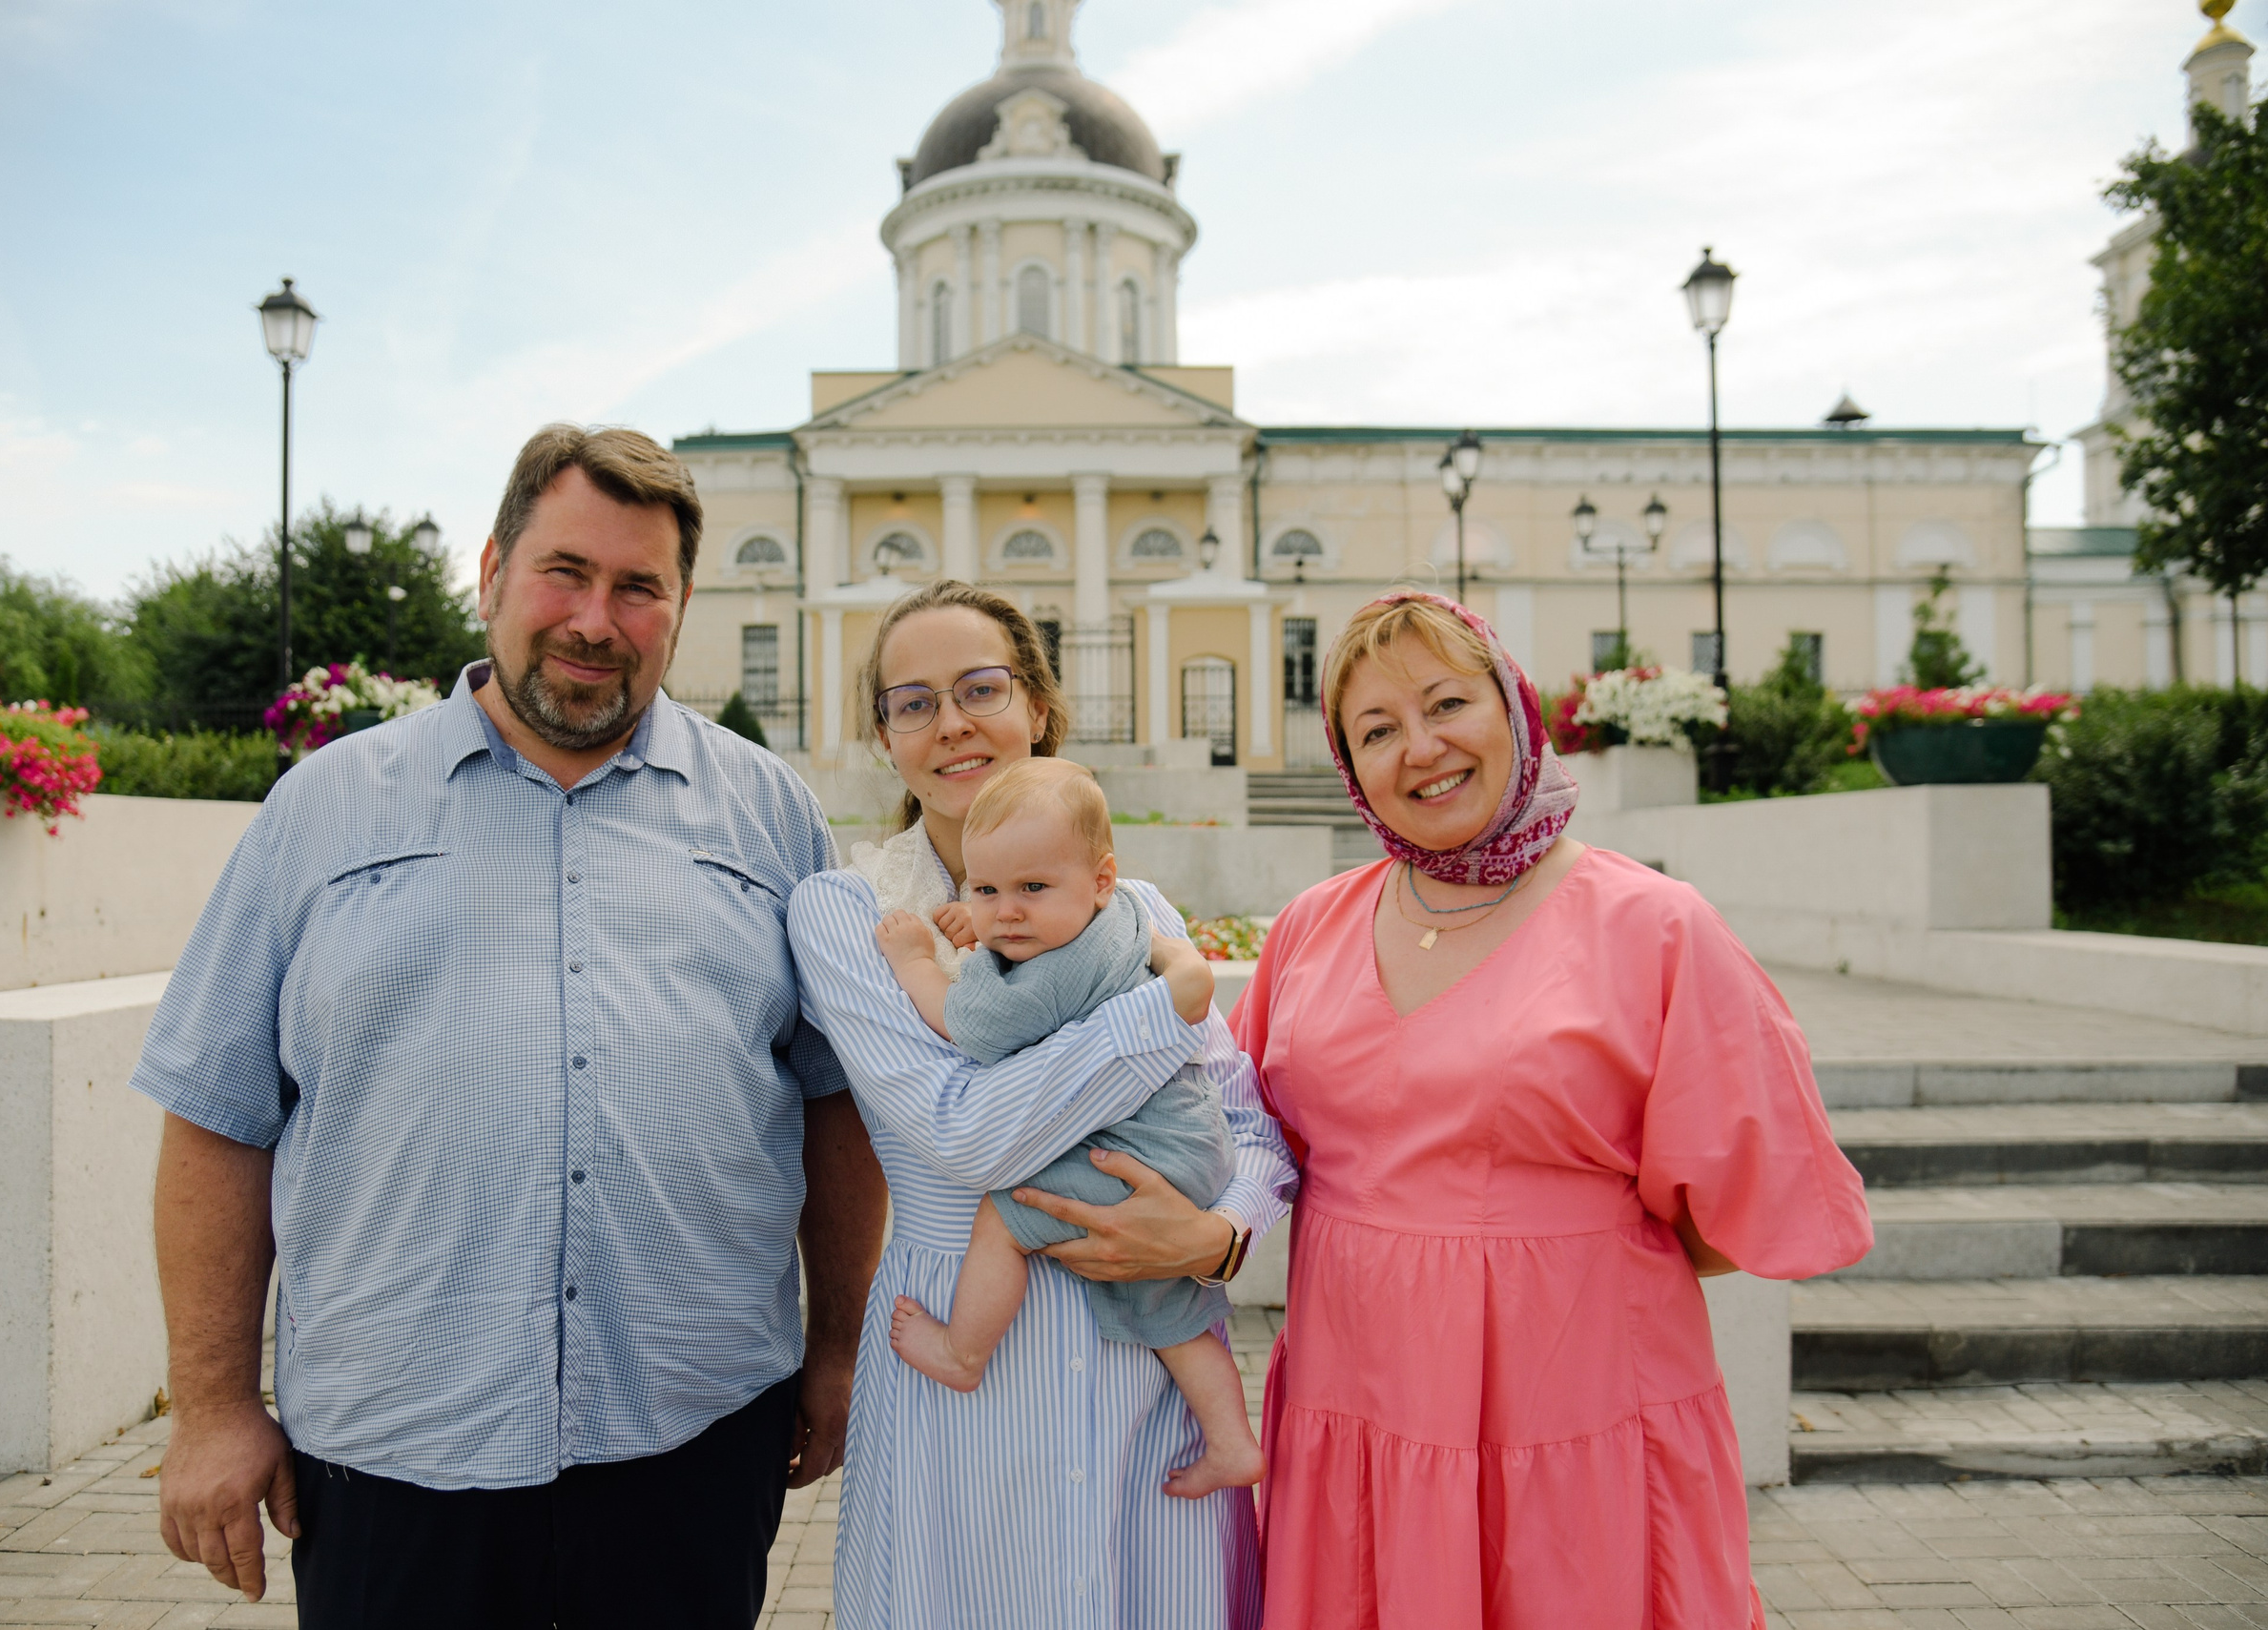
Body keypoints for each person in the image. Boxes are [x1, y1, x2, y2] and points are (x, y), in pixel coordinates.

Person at [134, 424, 886, 1629]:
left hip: (692, 1436)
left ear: (679, 609)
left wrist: (841, 1346)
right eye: (565, 572)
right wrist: (213, 1404)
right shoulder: (322, 808)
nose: (596, 617)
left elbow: (831, 1098)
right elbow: (218, 1116)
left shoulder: (768, 815)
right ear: (491, 574)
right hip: (394, 1448)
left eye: (638, 586)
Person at [1234, 589, 1873, 1630]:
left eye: (1447, 703)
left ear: (1515, 707)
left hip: (1575, 1414)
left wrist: (1539, 1258)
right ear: (1350, 766)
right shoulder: (1310, 924)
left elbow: (1728, 1206)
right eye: (1378, 729)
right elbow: (1261, 1140)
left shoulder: (1654, 924)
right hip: (1358, 1405)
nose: (1421, 748)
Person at [785, 580, 1297, 1630]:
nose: (953, 723)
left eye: (981, 688)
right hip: (957, 1358)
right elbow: (961, 1131)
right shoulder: (848, 915)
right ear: (883, 738)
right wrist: (1160, 1011)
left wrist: (1216, 1234)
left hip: (1145, 1363)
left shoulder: (1136, 905)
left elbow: (1246, 1123)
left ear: (1038, 708)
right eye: (912, 701)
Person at [875, 755, 1265, 1500]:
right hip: (1185, 1147)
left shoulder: (1052, 972)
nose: (1007, 913)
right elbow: (1017, 943)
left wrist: (918, 958)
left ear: (1102, 879)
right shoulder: (1121, 923)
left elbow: (969, 1023)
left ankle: (963, 1350)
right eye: (985, 890)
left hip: (1139, 1155)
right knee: (1170, 1311)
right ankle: (1232, 1438)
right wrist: (984, 929)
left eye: (1030, 889)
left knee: (1004, 1216)